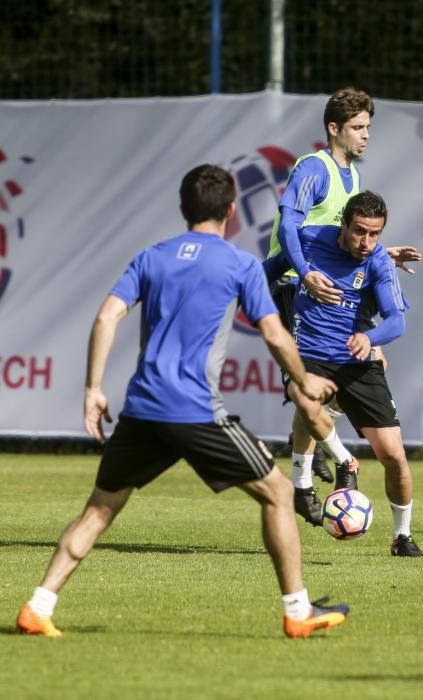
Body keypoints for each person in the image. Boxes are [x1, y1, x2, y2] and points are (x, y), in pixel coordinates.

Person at [16, 164, 349, 639]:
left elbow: (107, 315)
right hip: (196, 411)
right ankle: (298, 612)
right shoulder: (238, 264)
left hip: (143, 410)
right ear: (232, 211)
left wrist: (93, 388)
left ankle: (38, 604)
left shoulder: (152, 257)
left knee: (98, 511)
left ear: (183, 208)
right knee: (277, 493)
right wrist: (306, 382)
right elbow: (274, 333)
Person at [266, 87, 421, 527]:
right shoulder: (314, 168)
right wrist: (304, 273)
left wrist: (382, 255)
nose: (366, 135)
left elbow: (348, 240)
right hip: (299, 283)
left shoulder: (351, 177)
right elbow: (293, 227)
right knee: (309, 386)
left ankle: (309, 469)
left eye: (368, 127)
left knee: (361, 365)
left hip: (327, 284)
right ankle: (331, 460)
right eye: (357, 127)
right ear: (333, 129)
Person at [282, 190, 423, 557]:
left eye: (375, 234)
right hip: (310, 355)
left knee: (393, 455)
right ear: (342, 225)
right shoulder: (310, 239)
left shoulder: (377, 261)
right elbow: (271, 267)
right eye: (359, 231)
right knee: (303, 395)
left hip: (356, 360)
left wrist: (369, 337)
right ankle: (345, 460)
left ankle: (402, 537)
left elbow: (396, 321)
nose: (366, 242)